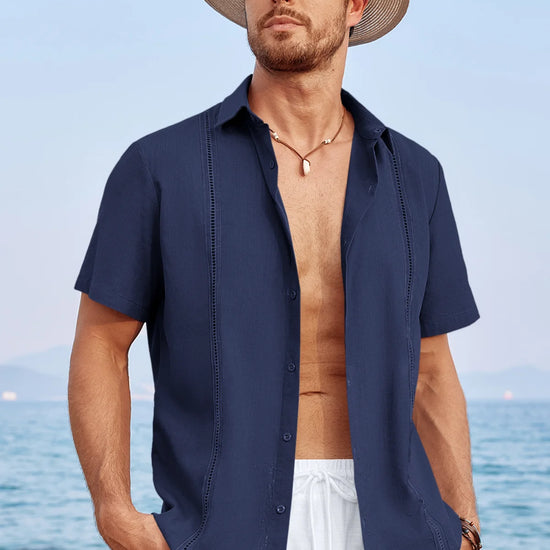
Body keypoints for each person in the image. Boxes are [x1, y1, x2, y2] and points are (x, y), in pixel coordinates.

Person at [68, 0, 484, 549]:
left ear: (355, 6)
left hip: (397, 526)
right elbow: (101, 343)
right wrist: (115, 513)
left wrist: (466, 527)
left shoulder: (416, 177)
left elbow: (431, 369)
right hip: (223, 527)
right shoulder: (159, 167)